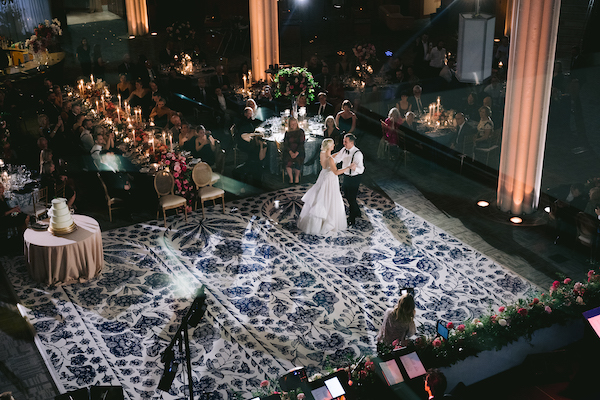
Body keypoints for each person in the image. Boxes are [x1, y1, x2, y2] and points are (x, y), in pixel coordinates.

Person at [297, 138, 355, 235]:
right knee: (330, 198)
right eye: (332, 144)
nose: (334, 145)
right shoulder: (330, 159)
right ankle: (327, 222)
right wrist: (348, 167)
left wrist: (338, 153)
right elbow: (336, 172)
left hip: (323, 176)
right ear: (329, 146)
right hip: (330, 179)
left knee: (321, 196)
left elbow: (329, 159)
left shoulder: (323, 153)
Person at [333, 133, 364, 226]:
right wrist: (329, 160)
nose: (343, 143)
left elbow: (361, 170)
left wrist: (355, 168)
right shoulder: (344, 150)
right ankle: (357, 211)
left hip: (355, 178)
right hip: (346, 176)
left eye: (345, 142)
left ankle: (352, 218)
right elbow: (337, 159)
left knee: (351, 198)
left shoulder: (358, 154)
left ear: (351, 142)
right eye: (343, 141)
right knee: (346, 194)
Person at [283, 117, 305, 184]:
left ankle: (296, 178)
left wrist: (296, 153)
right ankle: (291, 178)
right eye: (291, 124)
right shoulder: (287, 133)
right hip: (289, 151)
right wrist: (291, 152)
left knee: (298, 161)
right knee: (288, 161)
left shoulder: (301, 131)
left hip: (299, 150)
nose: (293, 125)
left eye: (294, 124)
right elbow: (285, 144)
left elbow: (302, 143)